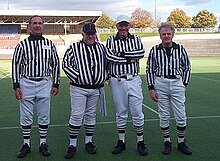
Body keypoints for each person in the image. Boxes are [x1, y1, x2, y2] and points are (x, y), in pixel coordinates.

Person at [62, 22, 128, 159]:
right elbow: (66, 64)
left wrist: (128, 59)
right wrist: (78, 76)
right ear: (83, 34)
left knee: (91, 115)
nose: (91, 36)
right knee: (76, 115)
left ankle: (89, 141)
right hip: (79, 88)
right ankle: (72, 144)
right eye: (88, 33)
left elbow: (112, 60)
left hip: (96, 88)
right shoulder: (74, 47)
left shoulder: (102, 48)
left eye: (93, 33)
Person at [12, 15, 60, 158]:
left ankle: (43, 143)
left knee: (44, 115)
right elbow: (16, 65)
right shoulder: (22, 45)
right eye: (35, 23)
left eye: (40, 23)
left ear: (43, 26)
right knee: (26, 115)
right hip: (26, 82)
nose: (37, 25)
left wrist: (56, 83)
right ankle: (26, 143)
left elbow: (56, 64)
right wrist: (16, 85)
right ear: (29, 26)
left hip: (44, 82)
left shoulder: (49, 44)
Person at [146, 23, 192, 155]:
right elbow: (150, 70)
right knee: (164, 115)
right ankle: (167, 141)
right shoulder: (154, 50)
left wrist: (184, 83)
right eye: (163, 34)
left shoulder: (180, 49)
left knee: (181, 115)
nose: (166, 36)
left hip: (177, 83)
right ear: (160, 36)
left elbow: (187, 67)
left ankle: (181, 142)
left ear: (172, 35)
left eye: (168, 34)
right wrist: (151, 88)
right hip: (161, 83)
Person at [106, 15, 148, 156]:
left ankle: (140, 142)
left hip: (134, 79)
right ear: (116, 26)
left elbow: (141, 53)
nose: (123, 28)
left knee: (137, 112)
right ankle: (121, 142)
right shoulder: (111, 40)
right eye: (120, 25)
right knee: (121, 112)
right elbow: (110, 57)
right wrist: (130, 58)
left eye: (126, 25)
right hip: (118, 80)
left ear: (129, 26)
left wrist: (121, 54)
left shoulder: (136, 38)